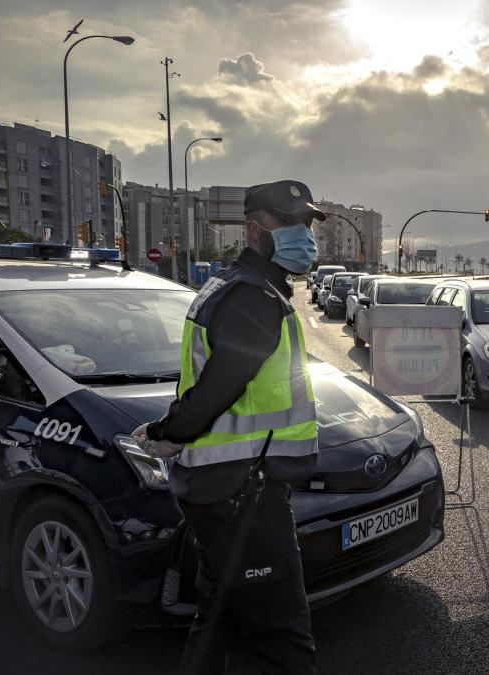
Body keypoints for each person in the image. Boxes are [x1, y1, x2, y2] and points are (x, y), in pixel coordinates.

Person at [132, 179, 324, 674]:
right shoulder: (253, 298)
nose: (303, 232)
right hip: (244, 491)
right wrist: (166, 433)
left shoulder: (233, 286)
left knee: (219, 617)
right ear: (256, 229)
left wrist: (169, 433)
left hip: (222, 487)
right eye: (290, 221)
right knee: (281, 634)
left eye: (307, 222)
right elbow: (222, 385)